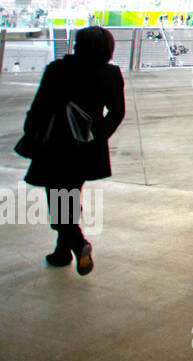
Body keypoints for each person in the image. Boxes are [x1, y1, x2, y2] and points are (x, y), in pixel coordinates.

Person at [20, 26, 125, 274]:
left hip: (55, 145)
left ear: (78, 45)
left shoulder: (58, 70)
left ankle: (78, 244)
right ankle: (61, 251)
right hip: (86, 148)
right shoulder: (111, 74)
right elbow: (117, 112)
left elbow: (39, 108)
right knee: (69, 194)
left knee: (58, 196)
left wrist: (31, 132)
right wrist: (98, 137)